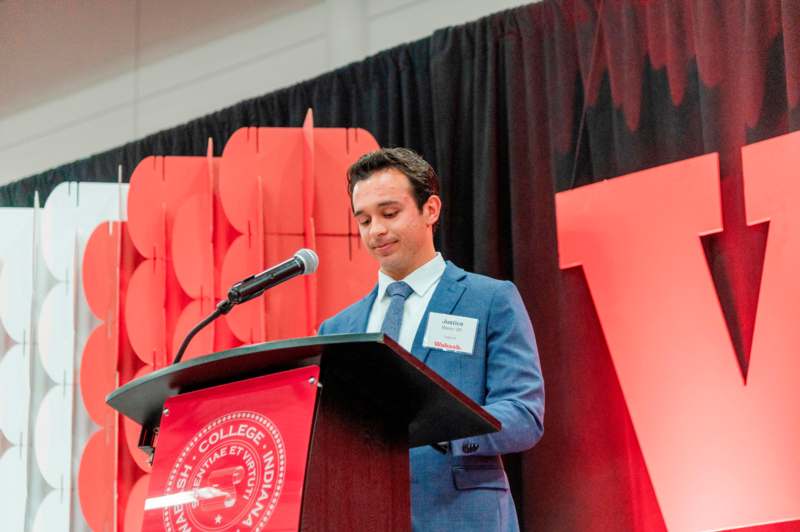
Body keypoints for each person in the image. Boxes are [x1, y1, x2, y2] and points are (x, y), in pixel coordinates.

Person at [318, 147, 544, 532]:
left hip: (464, 517)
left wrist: (446, 431)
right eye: (365, 220)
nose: (376, 231)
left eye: (390, 214)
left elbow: (524, 415)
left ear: (431, 210)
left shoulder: (489, 299)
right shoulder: (337, 330)